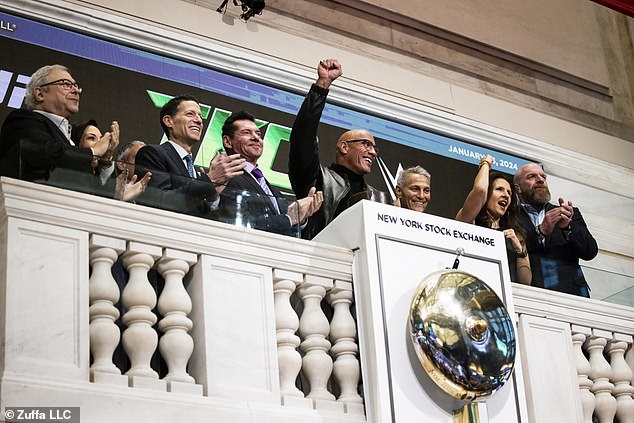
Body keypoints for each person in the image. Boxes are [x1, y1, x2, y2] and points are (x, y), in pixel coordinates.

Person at [289, 59, 382, 239]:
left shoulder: (376, 197)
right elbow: (303, 137)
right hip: (324, 260)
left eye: (374, 149)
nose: (372, 152)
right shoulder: (318, 179)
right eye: (366, 144)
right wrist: (321, 87)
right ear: (344, 147)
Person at [0, 64, 116, 183]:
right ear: (40, 94)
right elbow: (45, 153)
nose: (76, 90)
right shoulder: (22, 121)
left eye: (76, 86)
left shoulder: (71, 141)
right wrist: (94, 151)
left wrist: (116, 193)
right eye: (66, 84)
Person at [134, 94, 245, 217]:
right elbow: (158, 201)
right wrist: (209, 180)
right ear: (168, 121)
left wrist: (212, 196)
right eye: (190, 114)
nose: (199, 120)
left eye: (200, 116)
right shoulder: (152, 153)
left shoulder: (194, 170)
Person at [217, 111, 323, 235]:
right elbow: (241, 224)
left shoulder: (273, 190)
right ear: (228, 142)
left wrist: (301, 218)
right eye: (246, 132)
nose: (256, 137)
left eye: (258, 133)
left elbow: (286, 228)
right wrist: (290, 218)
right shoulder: (225, 179)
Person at [513, 163, 598, 296]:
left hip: (572, 296)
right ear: (518, 188)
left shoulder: (569, 213)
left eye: (543, 177)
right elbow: (511, 252)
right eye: (532, 177)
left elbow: (590, 252)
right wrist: (539, 231)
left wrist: (567, 229)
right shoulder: (510, 215)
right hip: (530, 295)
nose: (540, 180)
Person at [456, 155, 531, 285]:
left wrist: (520, 251)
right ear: (487, 193)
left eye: (509, 193)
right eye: (499, 189)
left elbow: (526, 282)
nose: (506, 195)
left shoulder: (516, 234)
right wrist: (485, 164)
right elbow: (479, 190)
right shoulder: (470, 221)